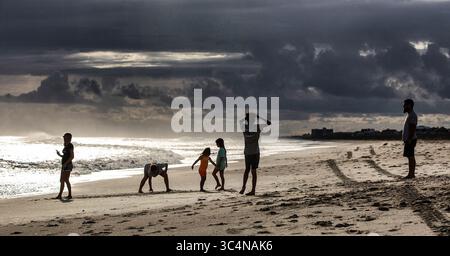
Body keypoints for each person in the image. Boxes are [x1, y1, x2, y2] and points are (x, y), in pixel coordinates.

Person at [240, 113, 271, 196]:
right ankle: (253, 190)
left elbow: (241, 121)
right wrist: (258, 117)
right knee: (253, 171)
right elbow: (269, 123)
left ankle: (243, 187)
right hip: (255, 152)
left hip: (247, 152)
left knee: (247, 170)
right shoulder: (257, 127)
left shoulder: (244, 127)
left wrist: (247, 117)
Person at [55, 133, 74, 200]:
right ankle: (65, 195)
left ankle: (62, 195)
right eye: (64, 137)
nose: (64, 138)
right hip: (65, 165)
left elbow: (72, 156)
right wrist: (60, 155)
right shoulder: (66, 145)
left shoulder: (70, 145)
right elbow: (66, 156)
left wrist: (66, 163)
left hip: (67, 165)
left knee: (65, 180)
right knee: (63, 180)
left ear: (68, 138)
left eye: (65, 137)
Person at [402, 99, 418, 179]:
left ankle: (411, 174)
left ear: (409, 105)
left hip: (410, 139)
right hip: (409, 139)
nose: (403, 106)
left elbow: (412, 128)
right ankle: (411, 173)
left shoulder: (412, 115)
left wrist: (409, 139)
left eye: (405, 105)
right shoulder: (410, 115)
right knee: (410, 156)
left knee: (411, 156)